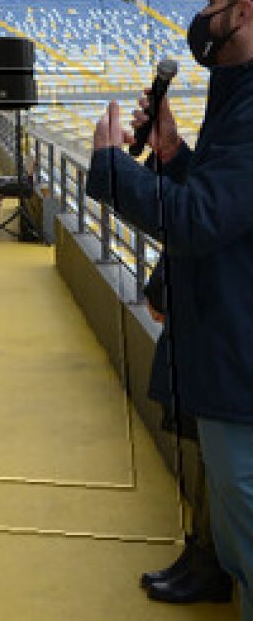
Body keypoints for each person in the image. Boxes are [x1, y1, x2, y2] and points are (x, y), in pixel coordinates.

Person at [86, 0, 253, 618]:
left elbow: (201, 221)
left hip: (240, 354)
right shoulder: (234, 93)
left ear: (242, 13)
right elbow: (222, 203)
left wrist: (111, 169)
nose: (202, 12)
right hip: (223, 345)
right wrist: (175, 155)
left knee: (241, 505)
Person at [138, 257, 232, 604]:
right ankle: (199, 555)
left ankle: (208, 562)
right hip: (208, 318)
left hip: (221, 327)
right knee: (207, 449)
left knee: (216, 451)